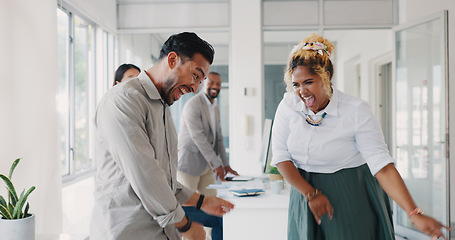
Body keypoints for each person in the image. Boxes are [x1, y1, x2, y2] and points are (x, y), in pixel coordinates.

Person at [271, 33, 450, 240]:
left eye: (309, 82)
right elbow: (281, 157)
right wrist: (310, 193)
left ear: (327, 75)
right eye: (296, 84)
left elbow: (382, 166)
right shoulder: (287, 106)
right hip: (304, 194)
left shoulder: (356, 110)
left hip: (350, 193)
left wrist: (414, 213)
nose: (302, 91)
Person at [90, 32, 234, 240]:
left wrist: (202, 201)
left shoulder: (162, 106)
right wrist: (186, 226)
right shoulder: (123, 101)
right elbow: (146, 176)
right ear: (173, 59)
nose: (195, 88)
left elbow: (164, 179)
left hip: (158, 231)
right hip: (126, 232)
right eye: (196, 76)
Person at [177, 72, 238, 240]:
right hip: (188, 166)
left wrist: (225, 165)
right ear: (203, 83)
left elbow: (218, 138)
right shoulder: (193, 105)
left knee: (212, 207)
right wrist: (217, 164)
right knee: (185, 210)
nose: (215, 87)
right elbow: (199, 138)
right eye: (211, 82)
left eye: (218, 84)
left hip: (206, 167)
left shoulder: (215, 106)